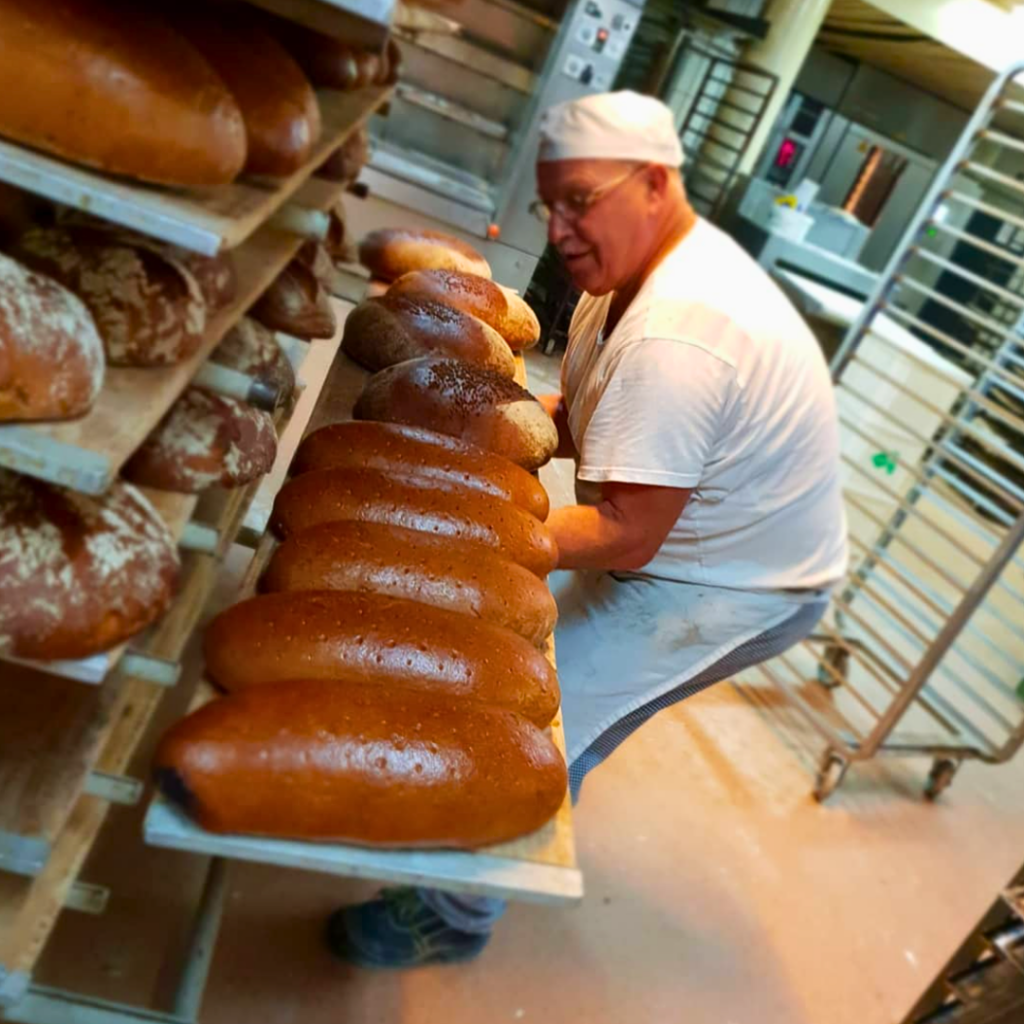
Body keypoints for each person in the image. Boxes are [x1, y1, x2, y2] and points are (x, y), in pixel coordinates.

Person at [327, 91, 848, 968]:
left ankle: (453, 915)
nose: (563, 232)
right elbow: (588, 415)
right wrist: (478, 434)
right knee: (508, 645)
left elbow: (626, 532)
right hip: (672, 524)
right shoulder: (622, 277)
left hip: (736, 580)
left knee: (541, 712)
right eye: (552, 205)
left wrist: (469, 527)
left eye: (584, 203)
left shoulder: (681, 338)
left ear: (653, 184)